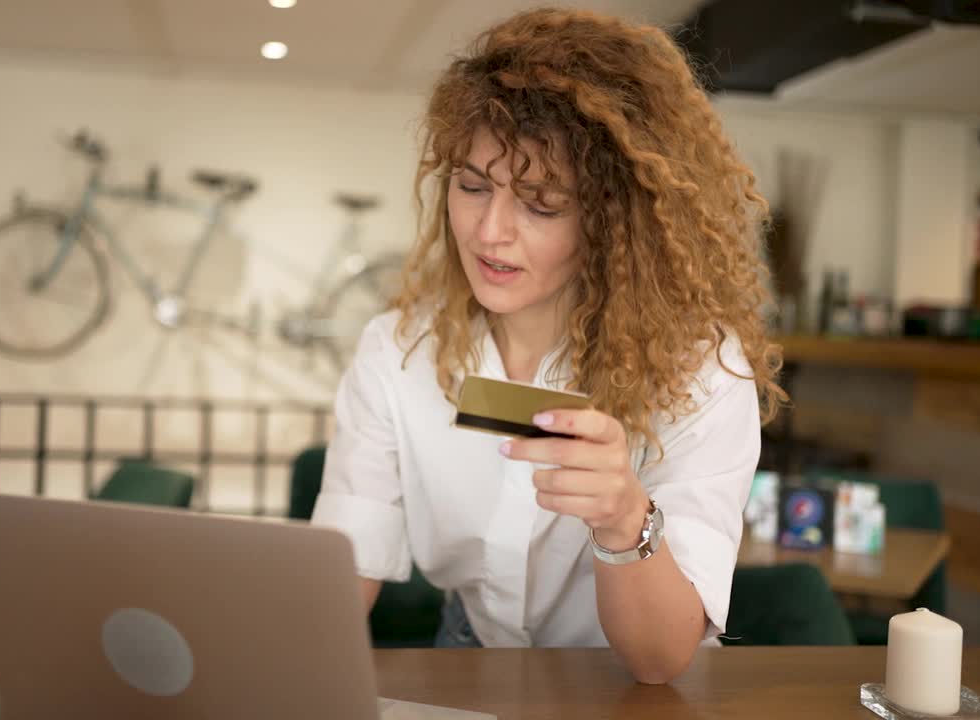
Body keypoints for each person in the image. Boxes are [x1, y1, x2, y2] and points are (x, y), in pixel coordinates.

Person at [310, 7, 786, 684]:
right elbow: (342, 572)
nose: (489, 232)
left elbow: (658, 661)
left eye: (541, 203)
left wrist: (625, 517)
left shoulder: (702, 372)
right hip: (470, 651)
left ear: (615, 221)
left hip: (629, 681)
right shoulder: (397, 353)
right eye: (473, 187)